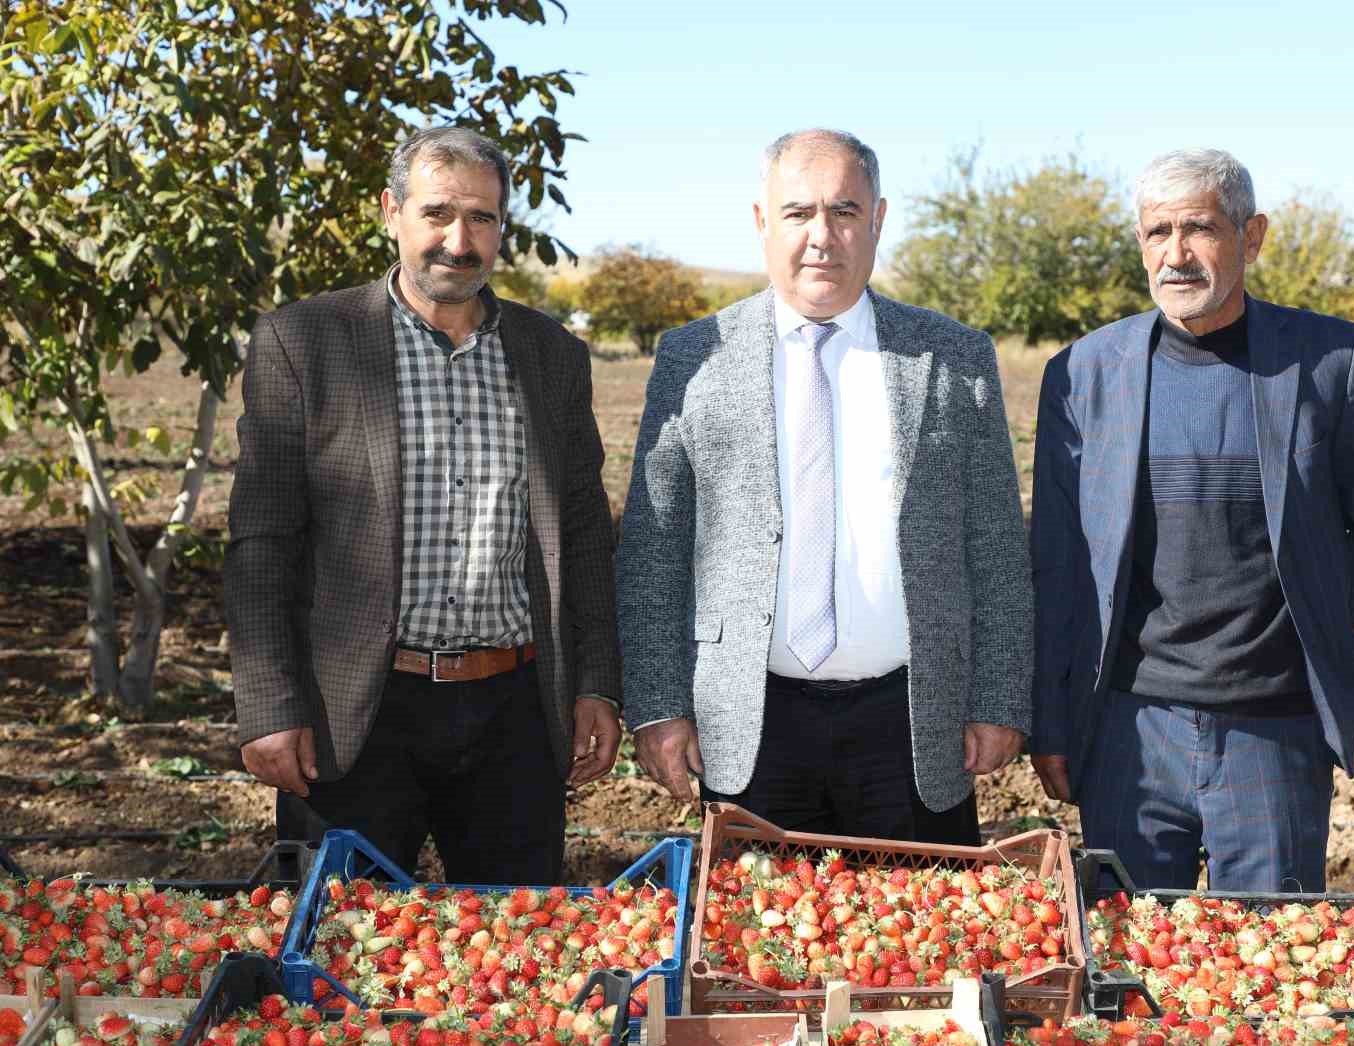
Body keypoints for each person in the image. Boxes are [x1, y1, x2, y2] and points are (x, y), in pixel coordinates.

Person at [225, 126, 622, 883]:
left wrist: (597, 683)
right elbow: (262, 540)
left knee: (516, 953)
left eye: (482, 218)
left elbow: (581, 531)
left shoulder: (550, 356)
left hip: (515, 715)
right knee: (338, 956)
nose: (459, 239)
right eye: (437, 212)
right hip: (356, 717)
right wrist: (269, 702)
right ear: (391, 211)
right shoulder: (307, 343)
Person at [615, 129, 1032, 844]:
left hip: (910, 726)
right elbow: (654, 551)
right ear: (760, 222)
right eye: (797, 213)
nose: (821, 237)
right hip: (748, 726)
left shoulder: (954, 356)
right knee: (753, 952)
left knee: (922, 949)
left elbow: (995, 543)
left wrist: (999, 697)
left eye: (843, 212)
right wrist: (656, 705)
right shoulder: (693, 357)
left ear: (877, 219)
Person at [1029, 148, 1354, 891]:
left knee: (1272, 963)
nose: (1176, 254)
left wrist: (1304, 616)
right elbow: (1055, 561)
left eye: (1199, 228)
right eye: (1157, 232)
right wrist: (1052, 723)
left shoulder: (1331, 360)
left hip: (1272, 729)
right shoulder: (1083, 374)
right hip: (1127, 728)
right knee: (1127, 962)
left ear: (1252, 235)